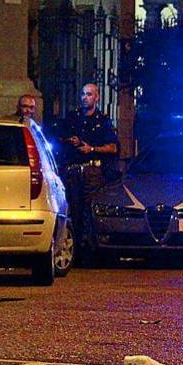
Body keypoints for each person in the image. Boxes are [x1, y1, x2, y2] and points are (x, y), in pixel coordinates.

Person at [60, 83, 119, 253]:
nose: (85, 98)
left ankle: (90, 248)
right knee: (73, 209)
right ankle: (74, 247)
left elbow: (113, 147)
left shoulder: (103, 121)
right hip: (73, 169)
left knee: (89, 210)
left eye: (89, 94)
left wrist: (92, 149)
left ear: (97, 97)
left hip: (92, 171)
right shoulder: (73, 118)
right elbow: (60, 138)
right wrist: (71, 141)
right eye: (83, 94)